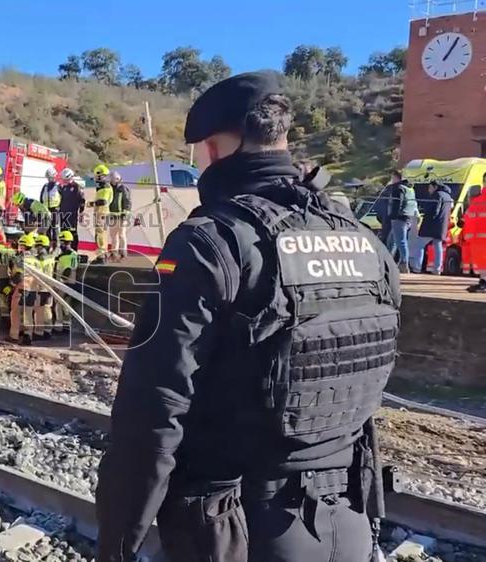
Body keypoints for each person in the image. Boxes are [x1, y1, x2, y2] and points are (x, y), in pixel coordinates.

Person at [95, 71, 401, 562]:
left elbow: (153, 412)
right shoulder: (364, 242)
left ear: (213, 149)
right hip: (349, 520)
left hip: (235, 530)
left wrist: (117, 544)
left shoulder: (209, 243)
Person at [409, 181, 453, 274]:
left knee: (419, 245)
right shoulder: (448, 197)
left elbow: (434, 210)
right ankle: (437, 269)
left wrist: (427, 216)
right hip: (441, 226)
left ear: (435, 187)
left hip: (431, 226)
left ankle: (416, 267)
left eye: (430, 187)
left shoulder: (437, 195)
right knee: (438, 247)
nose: (429, 190)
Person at [387, 170, 418, 272]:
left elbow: (397, 203)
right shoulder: (410, 189)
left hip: (399, 218)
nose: (392, 180)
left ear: (397, 178)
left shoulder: (398, 188)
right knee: (392, 240)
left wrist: (393, 215)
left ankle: (404, 263)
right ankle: (389, 261)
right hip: (408, 217)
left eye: (393, 178)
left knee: (400, 241)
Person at [7, 233, 35, 343]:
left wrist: (11, 284)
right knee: (28, 313)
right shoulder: (35, 259)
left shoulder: (20, 259)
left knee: (15, 313)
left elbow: (18, 275)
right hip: (32, 289)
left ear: (22, 246)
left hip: (21, 288)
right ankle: (28, 335)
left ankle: (14, 336)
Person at [53, 229, 79, 333]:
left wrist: (59, 283)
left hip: (64, 283)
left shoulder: (65, 256)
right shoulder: (73, 254)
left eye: (62, 242)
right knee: (66, 306)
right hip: (70, 283)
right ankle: (67, 325)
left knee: (59, 305)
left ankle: (60, 326)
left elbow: (68, 271)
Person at [33, 234, 55, 340]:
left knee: (39, 310)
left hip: (40, 287)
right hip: (49, 287)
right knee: (47, 308)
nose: (36, 248)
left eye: (37, 246)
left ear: (41, 246)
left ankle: (39, 333)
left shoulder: (38, 259)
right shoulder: (51, 258)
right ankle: (48, 331)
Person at [59, 169, 86, 251]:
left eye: (65, 179)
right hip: (63, 214)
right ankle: (64, 250)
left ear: (70, 177)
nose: (64, 180)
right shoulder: (63, 187)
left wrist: (81, 213)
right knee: (63, 232)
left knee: (72, 232)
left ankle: (74, 250)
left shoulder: (76, 187)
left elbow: (82, 201)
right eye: (63, 179)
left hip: (72, 215)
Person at [108, 171, 132, 263]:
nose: (113, 181)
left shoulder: (123, 189)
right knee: (113, 235)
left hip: (122, 216)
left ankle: (123, 254)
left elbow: (127, 201)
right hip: (112, 215)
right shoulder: (109, 188)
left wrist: (125, 213)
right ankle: (114, 253)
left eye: (114, 179)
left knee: (121, 235)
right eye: (112, 179)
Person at [92, 164, 113, 264]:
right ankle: (102, 255)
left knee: (100, 234)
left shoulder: (105, 187)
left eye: (97, 176)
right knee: (101, 233)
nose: (96, 178)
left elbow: (103, 201)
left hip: (102, 212)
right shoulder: (102, 187)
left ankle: (102, 257)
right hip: (101, 212)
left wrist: (91, 203)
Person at [39, 167, 63, 241]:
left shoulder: (58, 186)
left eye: (50, 177)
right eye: (48, 177)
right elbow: (41, 197)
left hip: (55, 209)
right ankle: (48, 242)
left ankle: (55, 242)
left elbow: (63, 197)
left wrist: (60, 207)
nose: (49, 179)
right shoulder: (45, 186)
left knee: (54, 227)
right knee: (47, 227)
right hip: (46, 209)